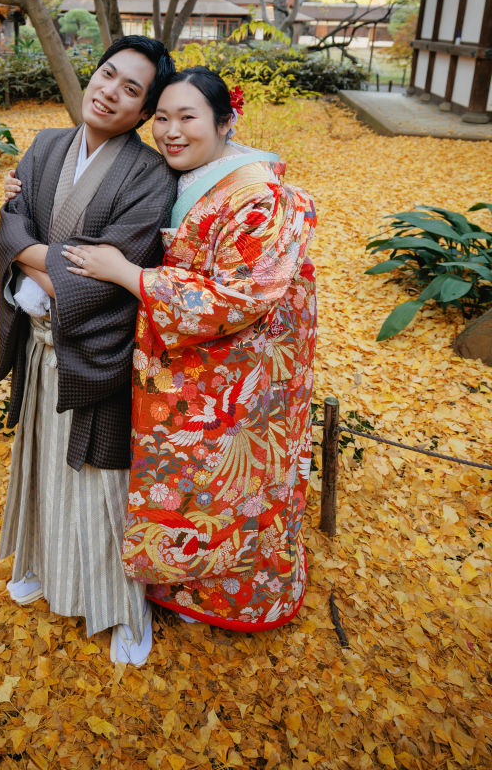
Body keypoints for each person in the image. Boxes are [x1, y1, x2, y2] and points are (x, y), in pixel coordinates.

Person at [59, 67, 317, 631]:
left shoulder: (260, 195)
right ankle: (177, 587)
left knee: (234, 487)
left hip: (239, 375)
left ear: (226, 121)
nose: (171, 131)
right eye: (162, 118)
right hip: (195, 365)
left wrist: (131, 275)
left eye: (188, 117)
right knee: (191, 487)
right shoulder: (195, 173)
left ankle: (234, 601)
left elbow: (239, 297)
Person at [0, 35, 177, 666]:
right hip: (43, 347)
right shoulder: (46, 146)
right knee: (43, 461)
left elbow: (113, 275)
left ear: (144, 112)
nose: (111, 92)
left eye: (132, 89)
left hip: (93, 347)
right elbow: (9, 224)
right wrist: (40, 255)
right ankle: (44, 564)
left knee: (103, 481)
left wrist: (29, 254)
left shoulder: (151, 175)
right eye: (107, 75)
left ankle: (125, 611)